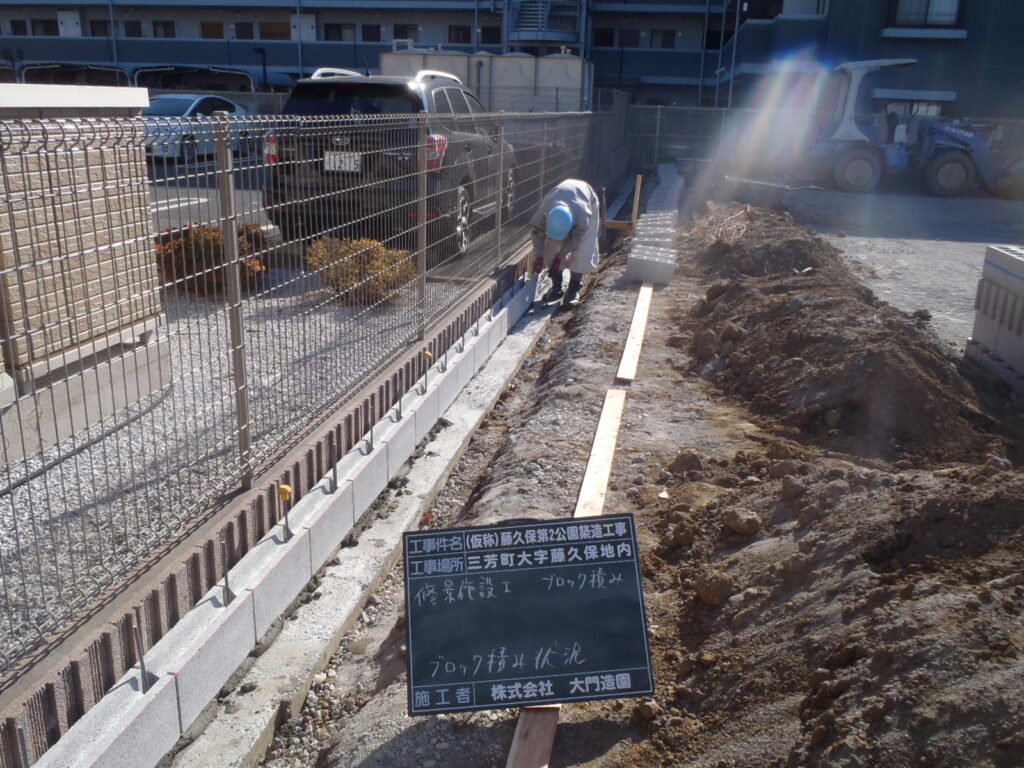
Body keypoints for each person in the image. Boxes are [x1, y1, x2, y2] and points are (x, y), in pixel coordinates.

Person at [530, 179, 601, 309]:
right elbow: (537, 232)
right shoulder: (545, 209)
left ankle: (573, 289)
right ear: (547, 219)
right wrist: (540, 256)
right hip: (565, 198)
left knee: (582, 251)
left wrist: (560, 257)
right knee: (553, 247)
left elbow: (574, 241)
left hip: (589, 202)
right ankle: (556, 287)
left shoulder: (583, 216)